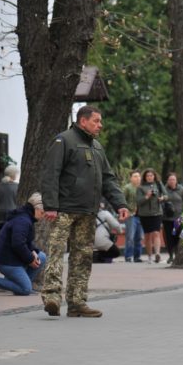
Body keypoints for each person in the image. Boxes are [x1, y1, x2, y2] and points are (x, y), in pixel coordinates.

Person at [40, 105, 129, 318]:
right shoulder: (64, 140)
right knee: (56, 253)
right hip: (63, 210)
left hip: (88, 212)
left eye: (100, 121)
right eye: (96, 121)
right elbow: (51, 174)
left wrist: (120, 204)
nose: (100, 125)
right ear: (83, 121)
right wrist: (50, 205)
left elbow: (108, 178)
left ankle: (77, 302)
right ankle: (52, 297)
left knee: (83, 256)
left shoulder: (97, 147)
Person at [0, 193, 47, 296]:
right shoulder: (23, 221)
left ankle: (21, 285)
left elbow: (26, 242)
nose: (43, 216)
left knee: (41, 256)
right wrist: (30, 259)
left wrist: (34, 252)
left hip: (13, 258)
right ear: (36, 208)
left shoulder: (26, 218)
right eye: (42, 212)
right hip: (6, 261)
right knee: (26, 289)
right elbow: (18, 244)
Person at [137, 168, 165, 264]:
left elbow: (166, 195)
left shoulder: (158, 184)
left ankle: (157, 254)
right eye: (148, 176)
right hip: (144, 214)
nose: (150, 177)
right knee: (147, 235)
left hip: (157, 213)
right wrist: (147, 196)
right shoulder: (140, 187)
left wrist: (162, 198)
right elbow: (138, 201)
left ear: (154, 176)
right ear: (145, 177)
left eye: (151, 175)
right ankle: (149, 256)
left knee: (156, 233)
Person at [162, 172, 183, 264]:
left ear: (176, 180)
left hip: (178, 217)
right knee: (168, 237)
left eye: (173, 179)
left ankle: (177, 254)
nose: (172, 181)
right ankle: (170, 255)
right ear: (167, 181)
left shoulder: (182, 189)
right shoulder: (164, 190)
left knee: (177, 237)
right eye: (170, 179)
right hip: (167, 217)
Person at [123, 171, 144, 262]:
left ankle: (137, 256)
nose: (137, 178)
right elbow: (123, 200)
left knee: (139, 237)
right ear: (131, 178)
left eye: (139, 176)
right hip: (131, 215)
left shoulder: (142, 188)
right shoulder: (127, 188)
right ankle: (128, 256)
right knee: (130, 236)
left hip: (142, 215)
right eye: (135, 176)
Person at [0, 165, 20, 233]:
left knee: (1, 235)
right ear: (13, 175)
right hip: (13, 214)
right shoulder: (17, 187)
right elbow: (19, 202)